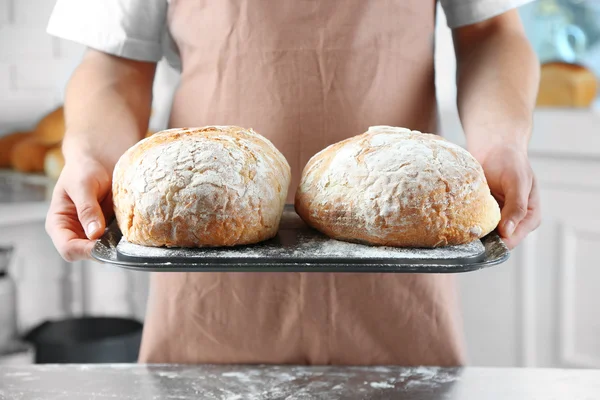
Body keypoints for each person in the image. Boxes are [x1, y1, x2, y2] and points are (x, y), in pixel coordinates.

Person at [45, 0, 541, 365]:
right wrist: (89, 153)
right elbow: (114, 65)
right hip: (203, 246)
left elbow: (491, 33)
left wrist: (502, 144)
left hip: (404, 242)